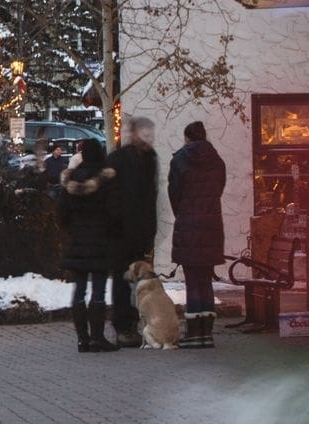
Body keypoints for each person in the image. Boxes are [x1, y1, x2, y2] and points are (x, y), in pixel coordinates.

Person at [169, 121, 226, 349]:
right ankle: (207, 333)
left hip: (189, 225)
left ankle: (194, 333)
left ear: (187, 137)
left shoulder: (180, 159)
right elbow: (219, 189)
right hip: (211, 225)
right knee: (206, 280)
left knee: (192, 282)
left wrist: (183, 213)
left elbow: (174, 192)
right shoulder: (217, 160)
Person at [60, 139, 118, 353]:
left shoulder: (70, 179)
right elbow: (114, 212)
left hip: (77, 242)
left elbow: (62, 214)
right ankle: (97, 337)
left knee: (79, 289)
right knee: (99, 291)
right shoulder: (107, 179)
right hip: (101, 241)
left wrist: (73, 230)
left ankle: (82, 339)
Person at [106, 116, 158, 348]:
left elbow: (151, 196)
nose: (147, 138)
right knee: (123, 279)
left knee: (134, 280)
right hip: (123, 231)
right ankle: (124, 325)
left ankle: (131, 324)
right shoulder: (123, 159)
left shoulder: (146, 159)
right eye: (144, 134)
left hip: (133, 231)